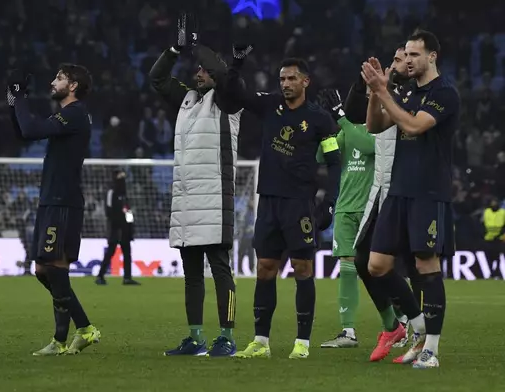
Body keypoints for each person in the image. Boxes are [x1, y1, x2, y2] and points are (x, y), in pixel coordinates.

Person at [217, 45, 342, 359]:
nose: (285, 83)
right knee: (265, 268)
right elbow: (234, 94)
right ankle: (261, 341)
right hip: (269, 201)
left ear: (305, 82)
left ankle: (302, 343)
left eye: (291, 78)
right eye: (282, 78)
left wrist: (329, 202)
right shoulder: (270, 104)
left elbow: (334, 162)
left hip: (299, 204)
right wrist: (238, 63)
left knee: (302, 268)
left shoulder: (319, 119)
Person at [361, 30, 460, 369]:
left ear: (432, 56)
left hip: (428, 191)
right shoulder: (406, 93)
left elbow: (414, 127)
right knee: (376, 265)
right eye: (405, 55)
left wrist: (383, 91)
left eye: (415, 55)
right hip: (400, 189)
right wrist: (378, 92)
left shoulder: (444, 93)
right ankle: (417, 329)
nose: (408, 60)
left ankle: (431, 348)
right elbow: (374, 125)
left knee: (426, 265)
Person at [150, 13, 242, 357]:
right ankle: (195, 337)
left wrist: (197, 45)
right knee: (191, 274)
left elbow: (220, 72)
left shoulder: (228, 101)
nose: (196, 73)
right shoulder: (188, 99)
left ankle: (227, 336)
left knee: (220, 270)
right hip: (188, 201)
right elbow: (157, 78)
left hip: (216, 200)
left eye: (202, 70)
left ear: (215, 73)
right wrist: (176, 48)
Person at [8, 63, 101, 356]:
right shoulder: (68, 115)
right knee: (42, 269)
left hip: (63, 200)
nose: (52, 82)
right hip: (51, 199)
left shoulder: (74, 114)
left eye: (59, 78)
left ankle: (60, 341)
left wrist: (19, 97)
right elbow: (25, 130)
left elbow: (32, 129)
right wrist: (14, 99)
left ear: (72, 85)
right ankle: (85, 328)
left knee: (55, 267)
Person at [315, 87, 374, 349]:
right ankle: (348, 332)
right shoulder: (343, 131)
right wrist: (325, 127)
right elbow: (321, 155)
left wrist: (341, 119)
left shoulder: (376, 132)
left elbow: (366, 145)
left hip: (371, 209)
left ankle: (400, 321)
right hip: (345, 209)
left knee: (379, 270)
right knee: (347, 269)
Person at [96, 169, 139, 285]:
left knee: (127, 253)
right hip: (115, 227)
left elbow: (128, 210)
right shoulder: (111, 192)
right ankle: (100, 276)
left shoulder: (124, 193)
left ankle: (127, 278)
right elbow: (108, 211)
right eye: (120, 177)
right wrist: (117, 221)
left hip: (124, 228)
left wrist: (130, 225)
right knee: (110, 252)